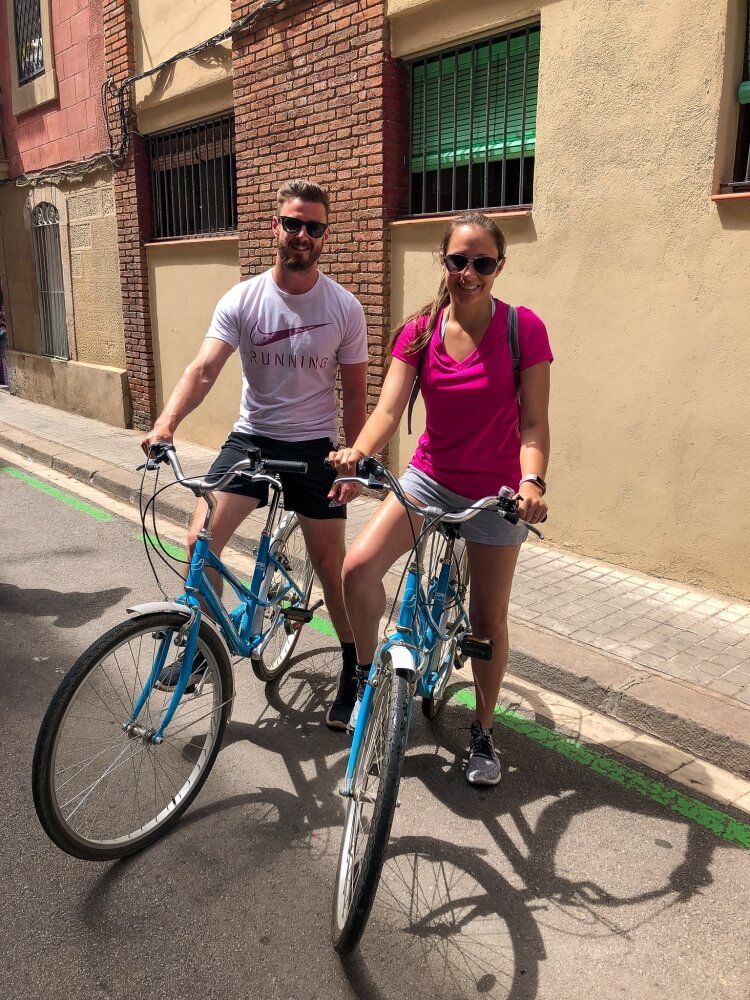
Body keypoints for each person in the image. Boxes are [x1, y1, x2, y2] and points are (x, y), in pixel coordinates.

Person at [328, 210, 552, 785]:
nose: (469, 272)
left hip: (497, 492)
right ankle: (364, 674)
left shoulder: (522, 329)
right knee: (356, 569)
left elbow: (534, 425)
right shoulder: (419, 330)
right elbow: (387, 410)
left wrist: (532, 483)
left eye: (482, 262)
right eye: (458, 260)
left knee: (486, 617)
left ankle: (482, 731)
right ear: (444, 262)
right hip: (429, 478)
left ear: (499, 266)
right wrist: (358, 451)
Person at [141, 179, 368, 717]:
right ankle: (200, 651)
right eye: (293, 223)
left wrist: (353, 461)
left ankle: (354, 663)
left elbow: (356, 393)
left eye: (313, 227)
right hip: (253, 440)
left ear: (325, 235)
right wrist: (166, 424)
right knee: (199, 540)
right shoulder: (243, 300)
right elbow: (203, 369)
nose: (302, 235)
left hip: (315, 447)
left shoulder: (344, 308)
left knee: (330, 566)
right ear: (275, 227)